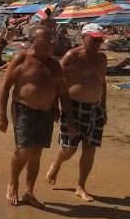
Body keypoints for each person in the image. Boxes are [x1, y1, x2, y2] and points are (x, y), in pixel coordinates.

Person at [0, 27, 73, 207]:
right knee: (24, 150)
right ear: (33, 41)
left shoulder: (54, 64)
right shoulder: (21, 59)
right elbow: (5, 87)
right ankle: (13, 183)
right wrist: (2, 115)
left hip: (46, 113)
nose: (50, 42)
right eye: (45, 39)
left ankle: (29, 192)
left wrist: (68, 116)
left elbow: (62, 92)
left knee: (36, 153)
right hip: (23, 108)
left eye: (51, 38)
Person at [46, 23, 109, 202]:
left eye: (100, 40)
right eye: (93, 39)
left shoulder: (102, 58)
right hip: (73, 106)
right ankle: (57, 163)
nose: (97, 43)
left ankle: (81, 186)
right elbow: (57, 80)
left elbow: (102, 82)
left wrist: (104, 108)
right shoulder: (72, 56)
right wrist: (55, 106)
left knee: (90, 148)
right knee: (69, 149)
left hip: (95, 108)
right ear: (83, 37)